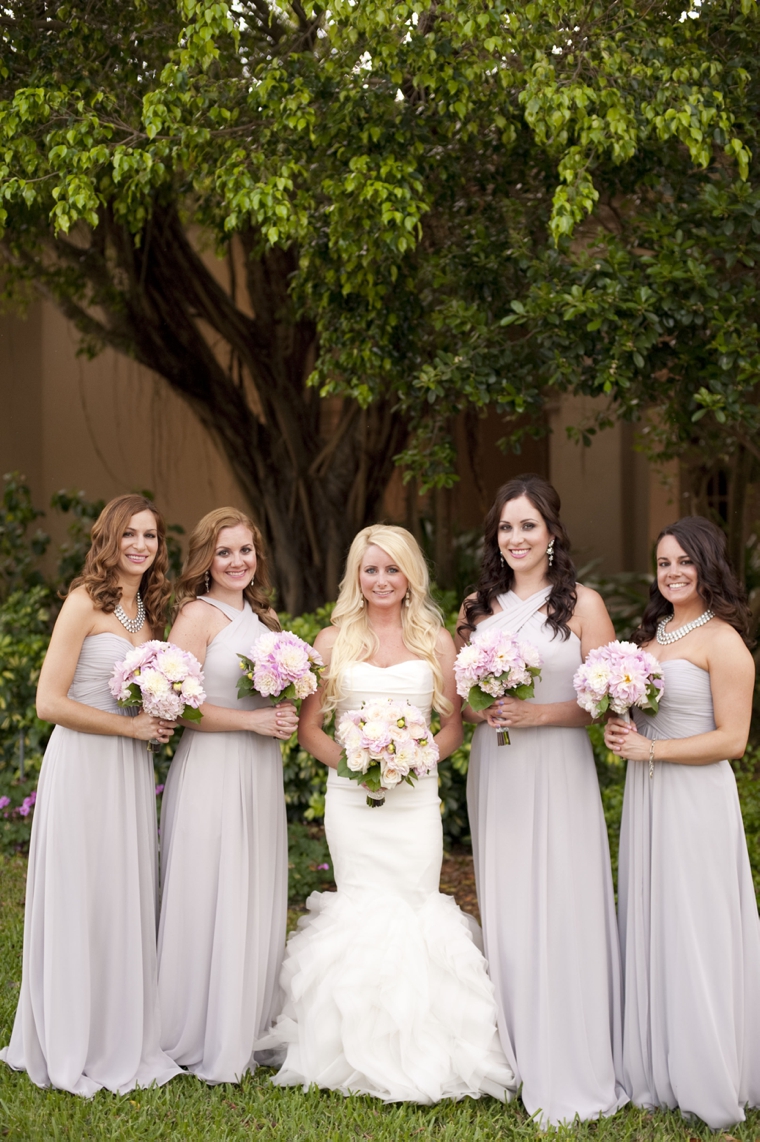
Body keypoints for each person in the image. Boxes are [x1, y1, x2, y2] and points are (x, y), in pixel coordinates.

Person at [261, 524, 515, 1104]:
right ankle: (342, 1048)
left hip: (415, 797)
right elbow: (308, 730)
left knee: (414, 904)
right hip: (351, 802)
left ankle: (429, 1048)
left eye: (392, 569)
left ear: (409, 576)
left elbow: (452, 724)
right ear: (356, 575)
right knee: (361, 903)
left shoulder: (435, 640)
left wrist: (415, 761)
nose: (381, 580)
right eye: (370, 569)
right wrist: (354, 766)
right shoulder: (330, 640)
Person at [458, 474, 627, 1127]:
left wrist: (537, 714)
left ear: (552, 532)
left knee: (565, 900)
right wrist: (486, 709)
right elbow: (463, 702)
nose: (516, 537)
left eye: (528, 525)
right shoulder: (477, 607)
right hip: (497, 773)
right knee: (509, 904)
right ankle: (517, 1049)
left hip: (559, 769)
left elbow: (607, 701)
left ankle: (575, 1053)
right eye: (506, 527)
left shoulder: (582, 605)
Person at [0, 494, 182, 1096]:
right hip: (82, 767)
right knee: (80, 893)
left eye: (150, 536)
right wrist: (130, 725)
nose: (140, 545)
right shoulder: (84, 602)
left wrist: (161, 713)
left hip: (129, 772)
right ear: (108, 538)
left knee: (119, 895)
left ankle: (117, 1033)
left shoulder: (150, 612)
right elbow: (48, 703)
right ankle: (70, 1035)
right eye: (129, 534)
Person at [605, 516, 760, 1129]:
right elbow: (645, 718)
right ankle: (655, 1064)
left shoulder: (722, 640)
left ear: (708, 565)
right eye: (663, 562)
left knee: (695, 923)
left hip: (695, 799)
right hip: (647, 796)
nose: (672, 573)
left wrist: (654, 751)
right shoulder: (651, 636)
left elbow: (734, 740)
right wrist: (623, 730)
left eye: (684, 562)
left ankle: (709, 1067)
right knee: (655, 916)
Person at [156, 508, 292, 1084]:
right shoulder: (195, 615)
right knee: (210, 884)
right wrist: (252, 725)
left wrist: (282, 715)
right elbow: (175, 703)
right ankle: (196, 1026)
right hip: (212, 766)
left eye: (246, 550)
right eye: (224, 552)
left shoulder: (265, 617)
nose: (238, 561)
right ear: (205, 560)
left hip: (258, 771)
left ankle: (248, 1021)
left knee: (253, 885)